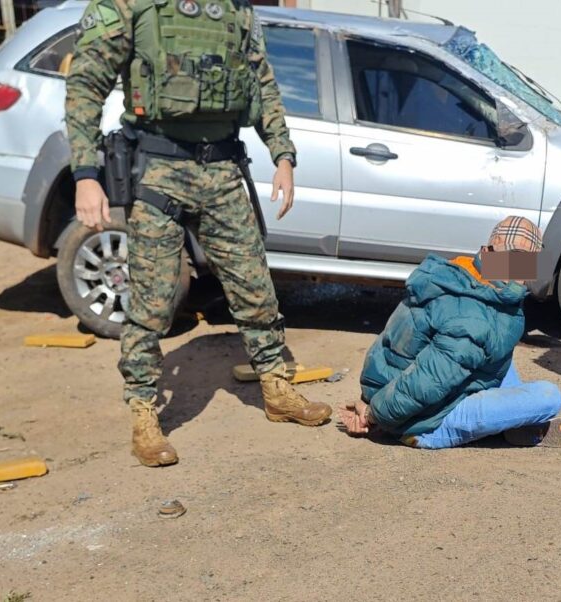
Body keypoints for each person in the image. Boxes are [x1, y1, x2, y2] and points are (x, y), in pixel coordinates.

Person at [65, 0, 331, 468]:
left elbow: (262, 83)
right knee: (153, 300)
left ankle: (275, 388)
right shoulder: (131, 6)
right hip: (156, 170)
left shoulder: (236, 11)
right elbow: (86, 84)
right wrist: (86, 174)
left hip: (224, 168)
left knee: (255, 287)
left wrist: (283, 155)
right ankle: (144, 411)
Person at [339, 216, 561, 449]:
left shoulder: (461, 274)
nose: (519, 272)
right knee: (549, 397)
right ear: (488, 252)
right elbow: (426, 382)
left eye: (524, 262)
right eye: (513, 259)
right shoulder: (474, 317)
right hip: (421, 422)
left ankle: (515, 423)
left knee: (498, 354)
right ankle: (515, 425)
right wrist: (373, 415)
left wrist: (368, 397)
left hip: (385, 386)